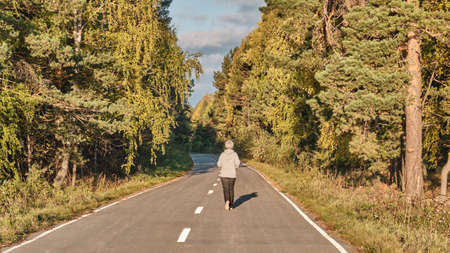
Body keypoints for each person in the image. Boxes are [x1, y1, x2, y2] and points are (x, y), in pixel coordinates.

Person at [217, 140, 240, 211]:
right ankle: (231, 205)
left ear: (226, 146)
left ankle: (227, 201)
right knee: (231, 189)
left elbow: (218, 164)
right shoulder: (235, 154)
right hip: (232, 174)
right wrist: (234, 167)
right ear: (232, 146)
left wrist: (222, 167)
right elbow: (238, 164)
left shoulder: (222, 154)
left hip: (224, 174)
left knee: (225, 189)